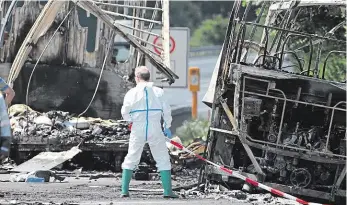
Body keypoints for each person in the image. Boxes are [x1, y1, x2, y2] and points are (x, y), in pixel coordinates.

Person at [120, 66, 178, 198]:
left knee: (131, 157)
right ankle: (168, 192)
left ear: (137, 78)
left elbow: (124, 111)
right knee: (162, 158)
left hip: (138, 128)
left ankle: (124, 190)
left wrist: (130, 121)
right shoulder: (159, 92)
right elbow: (167, 111)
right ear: (148, 77)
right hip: (155, 127)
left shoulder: (131, 93)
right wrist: (166, 125)